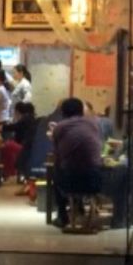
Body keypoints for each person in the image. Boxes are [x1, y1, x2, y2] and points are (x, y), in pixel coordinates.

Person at [51, 97, 103, 229]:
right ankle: (79, 208)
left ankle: (62, 216)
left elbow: (57, 156)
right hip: (95, 180)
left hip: (70, 181)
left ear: (63, 112)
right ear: (81, 110)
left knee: (57, 173)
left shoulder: (60, 127)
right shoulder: (93, 124)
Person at [2, 101, 35, 180]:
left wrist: (1, 127)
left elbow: (14, 127)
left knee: (7, 146)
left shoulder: (25, 119)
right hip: (28, 146)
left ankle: (8, 173)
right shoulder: (32, 119)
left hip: (23, 146)